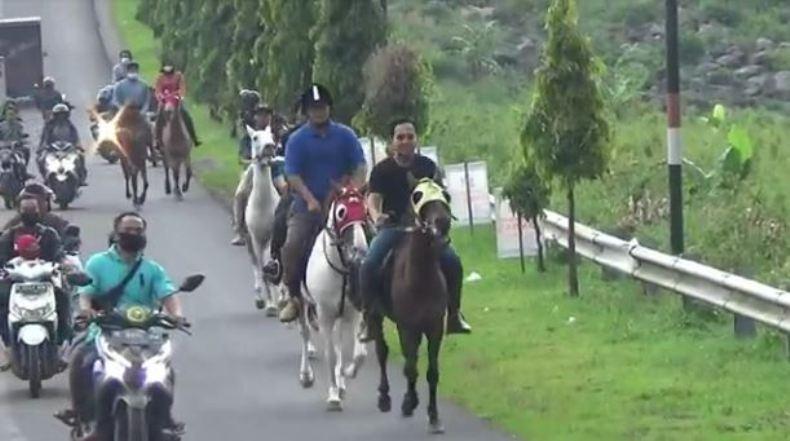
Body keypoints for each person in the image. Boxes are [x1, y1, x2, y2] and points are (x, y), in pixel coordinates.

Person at [61, 212, 185, 441]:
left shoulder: (152, 269)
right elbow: (85, 292)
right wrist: (86, 310)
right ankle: (83, 416)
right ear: (116, 233)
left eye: (138, 231)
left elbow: (168, 293)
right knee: (81, 360)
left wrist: (176, 315)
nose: (133, 234)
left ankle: (164, 420)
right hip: (105, 332)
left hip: (147, 337)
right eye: (127, 230)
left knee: (166, 371)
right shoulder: (98, 263)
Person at [359, 118, 471, 342]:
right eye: (400, 137)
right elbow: (373, 199)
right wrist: (376, 216)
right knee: (370, 262)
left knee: (453, 262)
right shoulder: (382, 170)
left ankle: (454, 315)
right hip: (394, 228)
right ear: (392, 142)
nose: (405, 141)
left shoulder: (428, 166)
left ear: (416, 139)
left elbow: (439, 196)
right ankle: (369, 319)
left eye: (410, 136)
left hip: (424, 230)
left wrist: (439, 218)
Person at [278, 84, 367, 323]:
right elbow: (292, 175)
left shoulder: (346, 135)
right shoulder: (297, 140)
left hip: (343, 204)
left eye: (323, 107)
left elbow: (360, 166)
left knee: (368, 241)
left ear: (329, 108)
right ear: (307, 111)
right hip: (309, 204)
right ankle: (293, 295)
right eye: (314, 108)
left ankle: (370, 296)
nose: (319, 112)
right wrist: (309, 199)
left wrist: (354, 191)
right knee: (292, 244)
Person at [0, 194, 70, 346]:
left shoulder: (49, 234)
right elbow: (2, 258)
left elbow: (59, 255)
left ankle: (64, 339)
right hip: (15, 280)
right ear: (19, 211)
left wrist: (65, 267)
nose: (30, 213)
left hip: (44, 278)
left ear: (39, 211)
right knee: (2, 302)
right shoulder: (9, 235)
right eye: (26, 209)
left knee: (63, 296)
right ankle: (6, 343)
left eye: (34, 209)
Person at [231, 103, 279, 246]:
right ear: (255, 117)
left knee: (285, 190)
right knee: (241, 193)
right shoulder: (249, 137)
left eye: (267, 115)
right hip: (254, 169)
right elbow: (242, 157)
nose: (264, 118)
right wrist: (252, 161)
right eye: (260, 115)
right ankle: (239, 229)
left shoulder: (276, 134)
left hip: (275, 168)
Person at [38, 103, 88, 186]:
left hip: (68, 148)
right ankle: (45, 178)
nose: (61, 117)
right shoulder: (49, 126)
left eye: (63, 114)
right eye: (59, 115)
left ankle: (81, 178)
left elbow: (76, 137)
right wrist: (42, 147)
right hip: (52, 149)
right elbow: (44, 138)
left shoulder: (70, 125)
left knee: (80, 156)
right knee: (41, 159)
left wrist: (79, 146)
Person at [153, 61, 201, 147]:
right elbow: (158, 90)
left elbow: (182, 87)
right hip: (165, 101)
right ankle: (157, 139)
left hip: (176, 100)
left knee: (186, 115)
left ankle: (194, 138)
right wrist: (161, 97)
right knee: (159, 117)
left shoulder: (178, 76)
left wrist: (180, 96)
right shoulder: (160, 77)